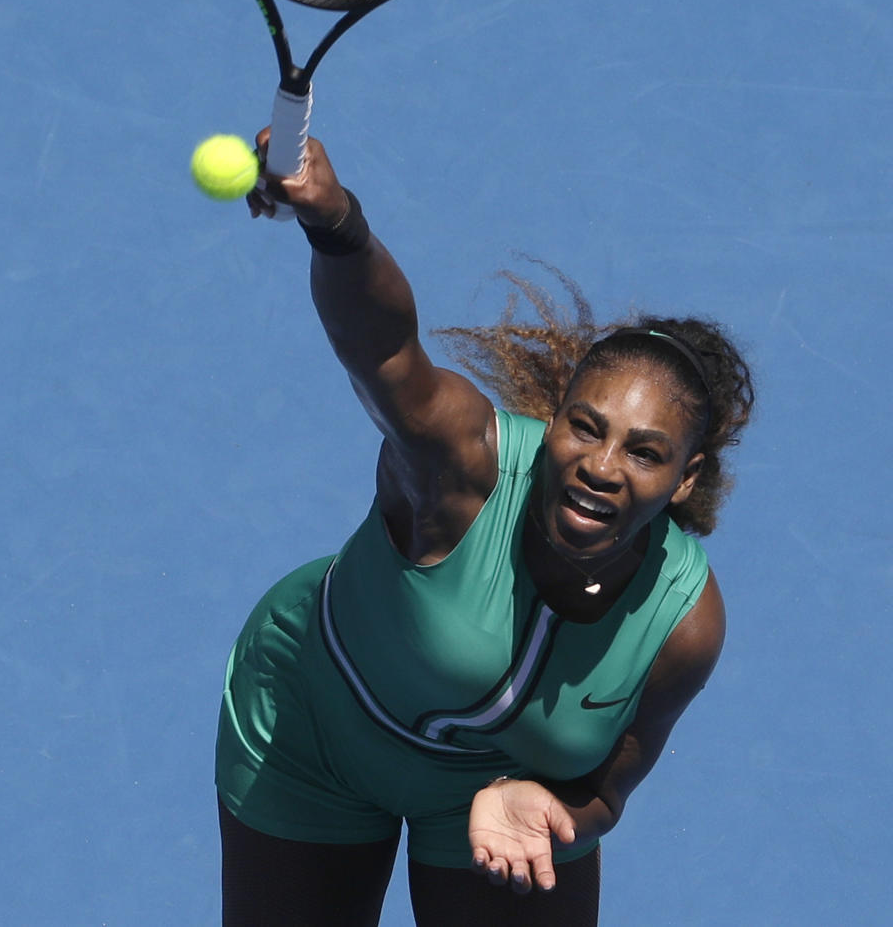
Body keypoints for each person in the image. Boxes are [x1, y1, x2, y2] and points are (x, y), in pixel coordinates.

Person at [214, 130, 755, 927]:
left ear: (687, 478)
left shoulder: (685, 623)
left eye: (644, 452)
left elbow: (606, 788)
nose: (601, 466)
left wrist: (537, 802)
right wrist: (337, 225)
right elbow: (384, 351)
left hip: (490, 801)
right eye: (585, 427)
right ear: (557, 416)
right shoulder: (461, 468)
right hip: (312, 736)